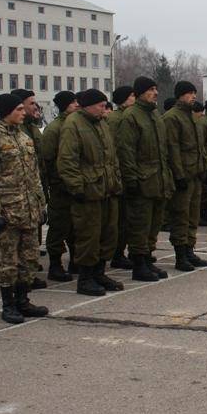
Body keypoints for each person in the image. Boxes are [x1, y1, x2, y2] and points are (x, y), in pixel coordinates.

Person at [0, 93, 48, 323]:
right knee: (8, 261)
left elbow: (34, 176)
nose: (23, 112)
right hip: (7, 212)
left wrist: (41, 204)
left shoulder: (24, 138)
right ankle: (8, 304)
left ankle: (23, 300)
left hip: (28, 210)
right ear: (7, 112)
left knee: (29, 258)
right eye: (19, 109)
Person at [57, 89, 124, 295]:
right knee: (89, 236)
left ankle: (99, 273)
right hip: (88, 192)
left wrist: (116, 181)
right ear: (88, 106)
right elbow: (67, 160)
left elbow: (112, 157)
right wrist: (77, 188)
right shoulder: (73, 124)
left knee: (108, 234)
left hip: (107, 189)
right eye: (101, 106)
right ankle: (85, 279)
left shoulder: (102, 124)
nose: (105, 109)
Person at [116, 76, 173, 281]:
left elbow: (163, 150)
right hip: (141, 181)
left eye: (156, 89)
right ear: (140, 92)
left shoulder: (154, 114)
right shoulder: (131, 116)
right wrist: (131, 180)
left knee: (153, 224)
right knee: (140, 224)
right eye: (150, 89)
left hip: (158, 179)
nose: (155, 93)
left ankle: (147, 259)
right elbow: (126, 151)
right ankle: (139, 264)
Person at [163, 81, 207, 271]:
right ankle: (180, 255)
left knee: (193, 216)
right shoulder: (172, 117)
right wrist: (178, 175)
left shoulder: (191, 116)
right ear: (180, 95)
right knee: (180, 216)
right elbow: (172, 149)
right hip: (183, 175)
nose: (193, 96)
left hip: (195, 173)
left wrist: (203, 168)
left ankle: (189, 250)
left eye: (194, 93)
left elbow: (199, 147)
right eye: (189, 93)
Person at [10, 89, 48, 288]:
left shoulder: (31, 130)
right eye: (31, 103)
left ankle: (27, 275)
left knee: (32, 236)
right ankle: (15, 281)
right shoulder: (2, 135)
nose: (35, 106)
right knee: (14, 241)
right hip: (13, 196)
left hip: (33, 189)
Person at [40, 91, 79, 283]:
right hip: (60, 187)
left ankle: (75, 261)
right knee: (58, 226)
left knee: (75, 226)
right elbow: (47, 159)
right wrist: (56, 182)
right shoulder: (54, 129)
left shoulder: (75, 124)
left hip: (74, 185)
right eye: (73, 102)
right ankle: (55, 265)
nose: (77, 105)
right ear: (65, 105)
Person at [106, 85, 135, 270]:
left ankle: (122, 252)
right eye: (131, 96)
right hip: (120, 175)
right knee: (120, 219)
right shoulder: (116, 119)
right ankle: (117, 253)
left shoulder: (126, 116)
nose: (134, 98)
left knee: (127, 219)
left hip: (126, 172)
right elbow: (117, 148)